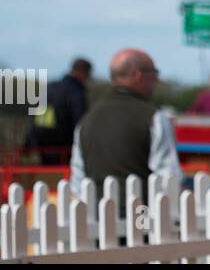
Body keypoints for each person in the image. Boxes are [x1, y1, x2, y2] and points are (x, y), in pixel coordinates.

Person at [70, 49, 181, 190]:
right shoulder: (155, 118)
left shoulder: (86, 120)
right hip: (144, 210)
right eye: (154, 73)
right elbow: (170, 177)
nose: (157, 79)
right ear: (137, 75)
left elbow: (78, 181)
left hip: (96, 209)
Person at [26, 57, 92, 165]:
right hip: (65, 150)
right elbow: (80, 122)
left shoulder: (49, 88)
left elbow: (35, 117)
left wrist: (30, 142)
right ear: (84, 73)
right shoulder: (76, 92)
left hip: (41, 148)